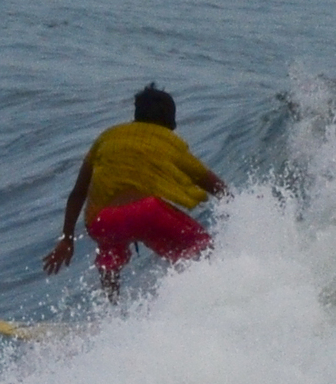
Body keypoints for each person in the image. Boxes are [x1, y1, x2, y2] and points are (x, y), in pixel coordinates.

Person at [42, 83, 226, 298]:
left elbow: (78, 193)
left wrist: (67, 238)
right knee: (202, 250)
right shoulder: (168, 141)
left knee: (110, 255)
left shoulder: (107, 137)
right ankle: (210, 299)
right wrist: (238, 204)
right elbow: (211, 184)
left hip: (101, 220)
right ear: (171, 120)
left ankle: (112, 314)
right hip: (147, 213)